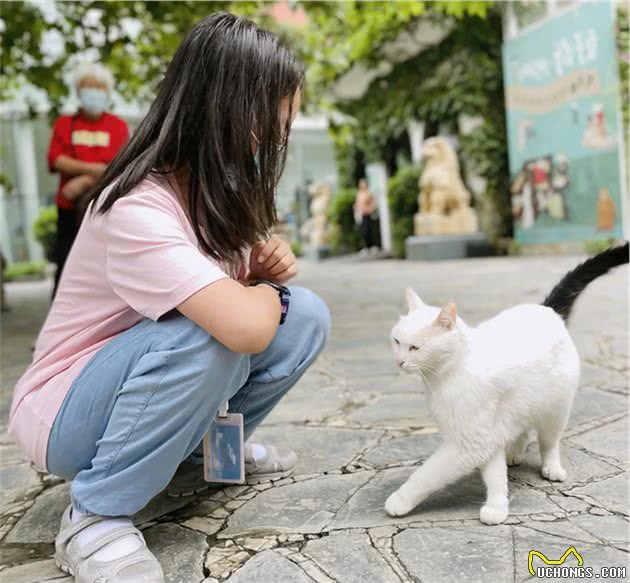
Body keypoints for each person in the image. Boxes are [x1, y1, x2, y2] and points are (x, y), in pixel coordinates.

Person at [9, 14, 329, 583]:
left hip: (133, 379)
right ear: (226, 112)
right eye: (270, 128)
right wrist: (265, 292)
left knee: (306, 317)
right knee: (215, 332)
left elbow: (250, 312)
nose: (274, 144)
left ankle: (194, 458)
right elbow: (245, 329)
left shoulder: (209, 195)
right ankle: (96, 515)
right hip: (66, 412)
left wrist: (253, 271)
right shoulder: (137, 205)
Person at [48, 63, 129, 298]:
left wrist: (83, 180)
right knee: (65, 261)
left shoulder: (117, 126)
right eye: (88, 86)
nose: (93, 91)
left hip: (104, 205)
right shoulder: (65, 124)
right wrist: (95, 170)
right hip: (69, 209)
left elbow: (121, 166)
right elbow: (57, 159)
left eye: (99, 87)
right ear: (78, 90)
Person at [353, 178, 380, 256]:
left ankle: (373, 246)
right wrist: (356, 209)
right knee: (364, 232)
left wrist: (370, 209)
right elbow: (357, 204)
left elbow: (374, 203)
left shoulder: (369, 193)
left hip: (368, 215)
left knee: (371, 230)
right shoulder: (359, 194)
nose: (362, 185)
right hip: (362, 215)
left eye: (363, 183)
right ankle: (366, 247)